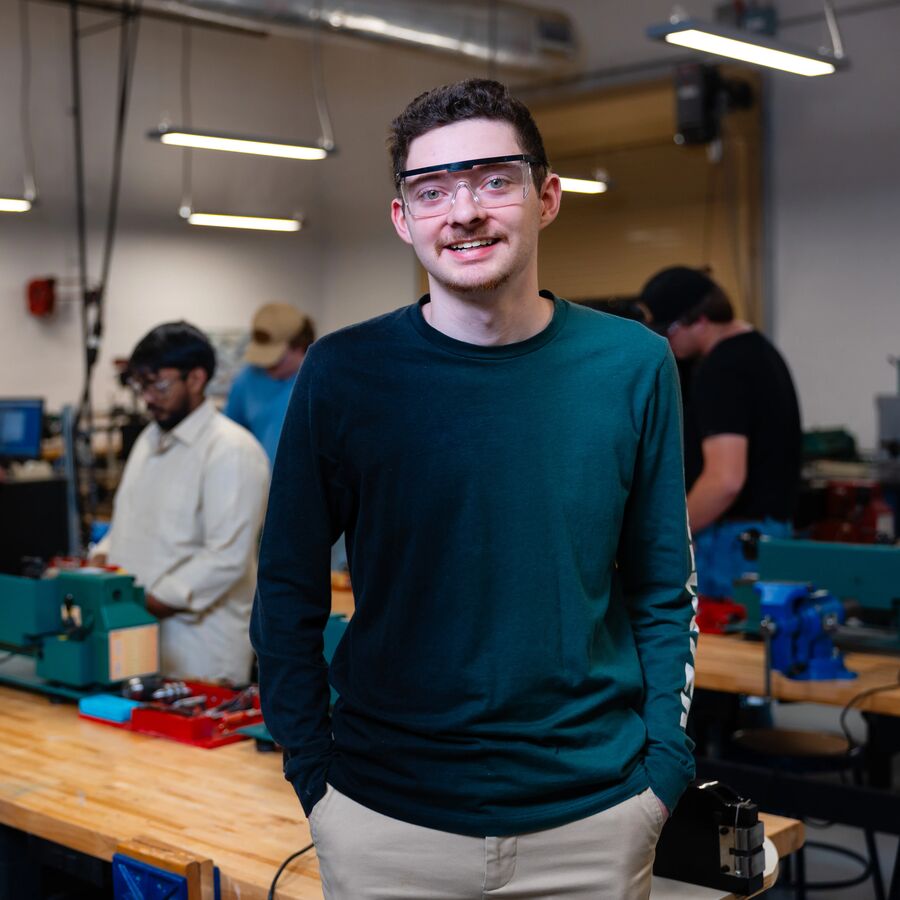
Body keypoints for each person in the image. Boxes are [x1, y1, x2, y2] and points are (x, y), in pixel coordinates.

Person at [252, 79, 697, 900]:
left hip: (594, 819)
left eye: (494, 179)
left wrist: (661, 773)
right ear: (403, 219)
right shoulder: (344, 373)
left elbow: (664, 584)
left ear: (546, 197)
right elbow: (286, 586)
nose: (464, 211)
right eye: (433, 191)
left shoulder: (634, 365)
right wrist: (314, 775)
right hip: (384, 823)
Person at [93, 322, 270, 683]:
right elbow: (130, 520)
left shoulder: (231, 451)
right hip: (137, 637)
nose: (148, 398)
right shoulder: (149, 438)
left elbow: (226, 558)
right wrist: (100, 557)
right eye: (141, 385)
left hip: (199, 651)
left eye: (158, 385)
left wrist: (146, 602)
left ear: (196, 379)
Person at [640, 266, 802, 612]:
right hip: (765, 538)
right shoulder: (760, 351)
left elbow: (724, 481)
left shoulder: (723, 369)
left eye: (668, 330)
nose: (666, 341)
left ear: (699, 320)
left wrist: (667, 537)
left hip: (733, 544)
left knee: (721, 652)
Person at [224, 303, 316, 464]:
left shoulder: (321, 381)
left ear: (300, 346)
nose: (265, 365)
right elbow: (229, 438)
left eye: (275, 359)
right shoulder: (247, 378)